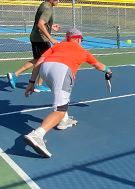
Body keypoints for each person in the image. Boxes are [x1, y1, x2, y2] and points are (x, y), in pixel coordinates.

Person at [22, 28, 113, 158]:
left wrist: (32, 82)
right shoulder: (83, 51)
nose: (81, 42)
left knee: (60, 95)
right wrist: (108, 70)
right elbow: (98, 65)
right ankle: (37, 135)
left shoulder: (57, 46)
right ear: (77, 38)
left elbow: (39, 62)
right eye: (81, 39)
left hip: (45, 70)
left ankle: (64, 121)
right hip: (62, 71)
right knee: (59, 109)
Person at [7, 0, 63, 92]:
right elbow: (40, 24)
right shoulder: (48, 9)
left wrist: (51, 26)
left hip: (37, 37)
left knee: (40, 60)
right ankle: (22, 77)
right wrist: (51, 39)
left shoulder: (45, 5)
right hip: (40, 39)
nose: (58, 1)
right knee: (43, 60)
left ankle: (26, 79)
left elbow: (42, 22)